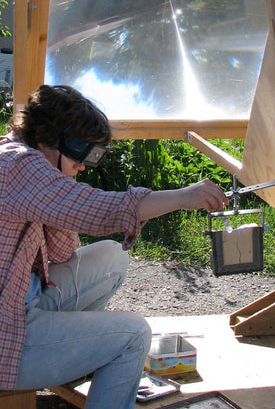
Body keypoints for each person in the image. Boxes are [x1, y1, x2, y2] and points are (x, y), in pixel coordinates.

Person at [0, 84, 228, 409]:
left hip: (22, 302)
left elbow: (63, 254)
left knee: (111, 255)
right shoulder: (19, 167)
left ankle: (76, 356)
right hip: (8, 334)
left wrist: (63, 193)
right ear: (49, 138)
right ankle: (83, 357)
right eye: (80, 151)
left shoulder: (22, 160)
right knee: (133, 336)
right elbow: (103, 210)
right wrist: (181, 197)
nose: (83, 164)